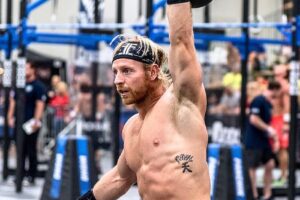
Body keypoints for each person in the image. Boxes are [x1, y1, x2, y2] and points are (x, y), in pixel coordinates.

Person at [78, 1, 211, 200]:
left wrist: (178, 2)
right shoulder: (131, 129)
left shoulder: (181, 103)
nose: (118, 80)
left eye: (127, 71)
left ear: (153, 72)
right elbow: (120, 178)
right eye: (115, 72)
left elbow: (181, 40)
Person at [7, 61, 47, 185]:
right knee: (20, 149)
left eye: (27, 68)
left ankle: (32, 175)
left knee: (31, 149)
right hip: (19, 122)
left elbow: (40, 104)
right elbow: (13, 101)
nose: (24, 70)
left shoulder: (38, 86)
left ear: (33, 70)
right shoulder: (20, 84)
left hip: (30, 123)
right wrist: (10, 117)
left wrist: (36, 120)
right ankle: (20, 174)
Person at [244, 81, 281, 200]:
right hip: (254, 140)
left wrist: (274, 138)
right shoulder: (258, 100)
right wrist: (268, 129)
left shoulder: (268, 104)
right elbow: (254, 119)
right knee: (252, 167)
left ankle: (267, 193)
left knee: (270, 164)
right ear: (274, 89)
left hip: (264, 140)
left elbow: (267, 122)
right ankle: (253, 195)